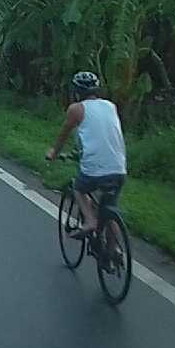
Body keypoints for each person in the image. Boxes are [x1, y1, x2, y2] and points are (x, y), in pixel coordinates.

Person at [45, 71, 127, 240]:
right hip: (119, 168)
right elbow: (99, 136)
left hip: (95, 169)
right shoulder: (111, 106)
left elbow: (63, 135)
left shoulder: (76, 109)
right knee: (108, 208)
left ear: (76, 92)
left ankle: (89, 221)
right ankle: (113, 250)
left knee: (78, 188)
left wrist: (53, 152)